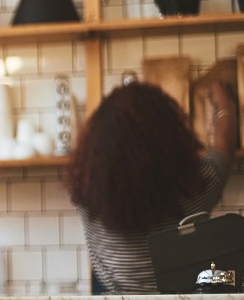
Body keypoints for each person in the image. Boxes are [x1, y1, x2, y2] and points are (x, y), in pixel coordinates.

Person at [65, 81, 238, 294]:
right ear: (170, 139)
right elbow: (223, 147)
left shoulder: (89, 199)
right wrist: (225, 104)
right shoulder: (196, 190)